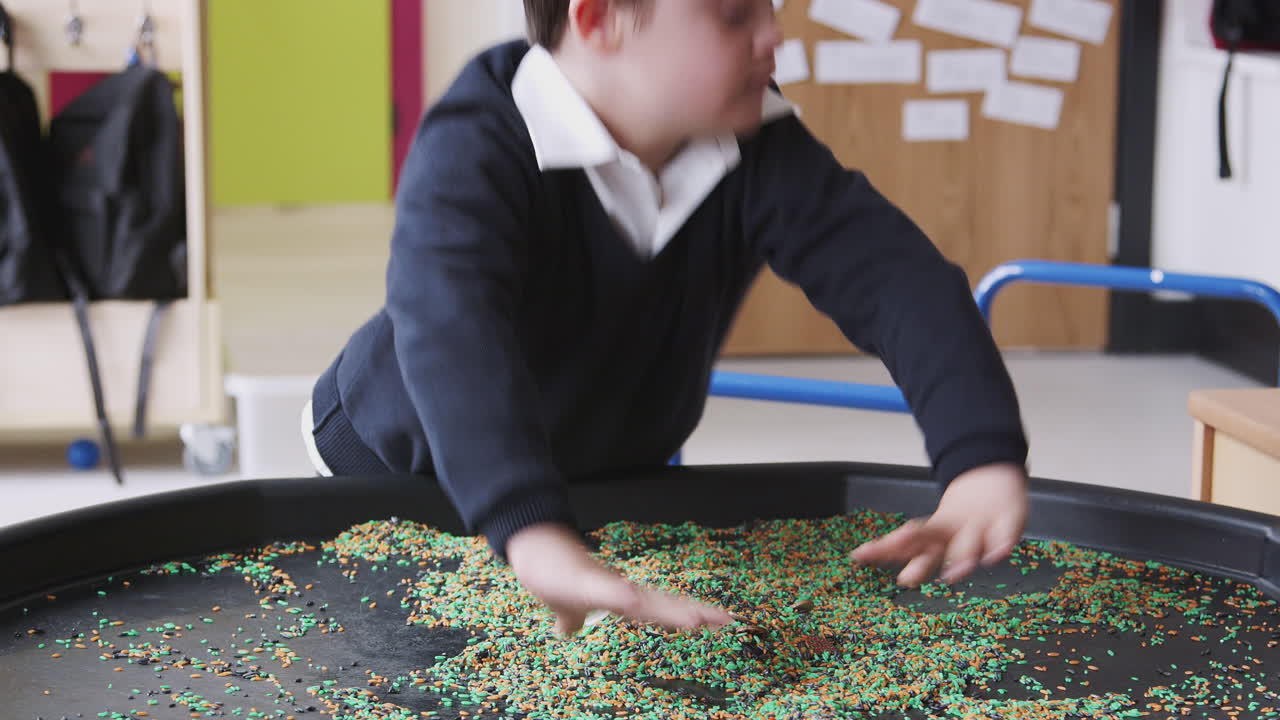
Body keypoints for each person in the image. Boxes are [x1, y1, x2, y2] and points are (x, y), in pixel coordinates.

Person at [304, 0, 1030, 639]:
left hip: (601, 475)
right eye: (733, 12)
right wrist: (531, 529)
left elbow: (894, 278)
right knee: (400, 656)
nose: (775, 35)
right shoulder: (482, 138)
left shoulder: (759, 145)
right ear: (600, 20)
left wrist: (979, 456)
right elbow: (452, 326)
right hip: (399, 464)